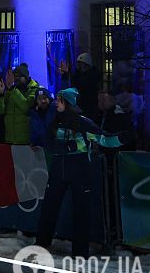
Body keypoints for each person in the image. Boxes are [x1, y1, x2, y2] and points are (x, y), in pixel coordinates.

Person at [34, 87, 119, 258]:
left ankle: (80, 253)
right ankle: (41, 245)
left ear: (68, 103)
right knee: (49, 208)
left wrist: (124, 137)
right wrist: (66, 147)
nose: (56, 103)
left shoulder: (83, 122)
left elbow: (104, 138)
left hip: (80, 172)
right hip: (58, 171)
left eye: (59, 100)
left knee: (81, 212)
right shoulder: (55, 121)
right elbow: (48, 143)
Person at [0, 64, 40, 145]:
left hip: (26, 141)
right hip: (10, 140)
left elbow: (26, 107)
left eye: (19, 76)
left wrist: (12, 89)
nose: (16, 79)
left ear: (26, 77)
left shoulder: (34, 90)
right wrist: (0, 94)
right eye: (15, 76)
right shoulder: (11, 90)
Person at [58, 54, 102, 123]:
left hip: (89, 107)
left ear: (86, 64)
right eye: (79, 64)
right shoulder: (78, 74)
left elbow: (81, 84)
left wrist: (69, 75)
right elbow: (73, 87)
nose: (79, 66)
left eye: (81, 64)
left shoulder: (92, 75)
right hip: (80, 106)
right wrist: (66, 75)